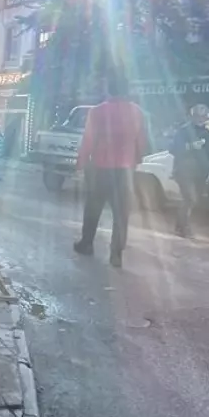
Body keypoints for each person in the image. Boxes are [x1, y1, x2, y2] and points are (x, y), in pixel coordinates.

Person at [73, 61, 147, 268]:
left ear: (109, 89)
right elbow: (141, 141)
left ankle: (87, 244)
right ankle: (116, 254)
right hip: (125, 170)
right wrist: (136, 160)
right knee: (121, 213)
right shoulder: (137, 112)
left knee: (93, 208)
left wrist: (80, 165)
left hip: (100, 168)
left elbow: (88, 140)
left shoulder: (97, 112)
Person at [169, 104, 209, 238]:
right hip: (184, 170)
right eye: (198, 116)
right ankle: (184, 229)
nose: (201, 119)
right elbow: (173, 149)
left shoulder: (206, 132)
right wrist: (190, 146)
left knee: (193, 200)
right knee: (190, 199)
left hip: (199, 171)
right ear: (192, 117)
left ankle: (179, 225)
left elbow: (208, 151)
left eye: (203, 117)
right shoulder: (183, 131)